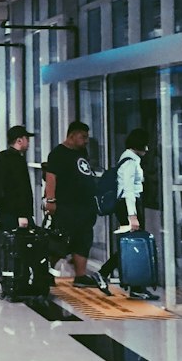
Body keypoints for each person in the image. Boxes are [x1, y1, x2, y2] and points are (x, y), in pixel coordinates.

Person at [98, 128, 159, 300]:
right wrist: (132, 216)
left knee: (132, 243)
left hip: (127, 205)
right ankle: (105, 272)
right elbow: (129, 191)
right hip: (128, 206)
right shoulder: (130, 163)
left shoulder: (128, 160)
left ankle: (136, 286)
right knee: (132, 243)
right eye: (145, 145)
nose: (147, 149)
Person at [44, 121, 102, 288]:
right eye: (83, 137)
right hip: (66, 206)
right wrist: (51, 200)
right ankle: (48, 272)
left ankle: (81, 276)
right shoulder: (58, 153)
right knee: (60, 242)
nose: (85, 141)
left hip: (84, 207)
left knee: (83, 240)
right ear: (72, 135)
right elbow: (51, 177)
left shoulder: (82, 152)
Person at [0, 125, 36, 229]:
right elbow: (21, 189)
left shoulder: (2, 157)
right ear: (19, 140)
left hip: (4, 211)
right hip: (16, 215)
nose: (29, 143)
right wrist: (23, 214)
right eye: (27, 139)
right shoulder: (17, 160)